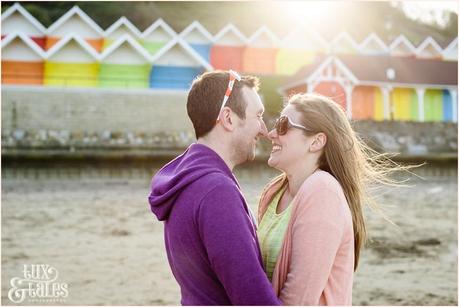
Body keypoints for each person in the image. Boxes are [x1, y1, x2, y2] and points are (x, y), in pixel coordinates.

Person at [257, 93, 407, 305]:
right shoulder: (274, 192)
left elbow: (300, 299)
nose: (272, 133)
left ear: (316, 141)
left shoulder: (322, 191)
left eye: (283, 125)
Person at [148, 70, 280, 306]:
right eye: (258, 116)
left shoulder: (187, 180)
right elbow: (253, 299)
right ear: (228, 118)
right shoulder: (216, 191)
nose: (263, 129)